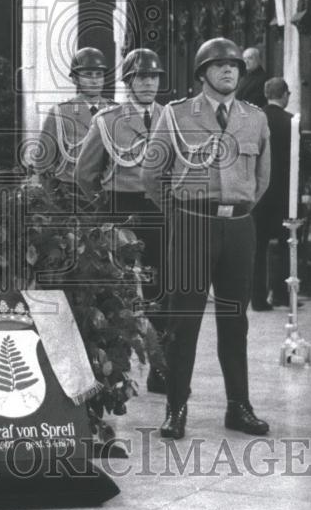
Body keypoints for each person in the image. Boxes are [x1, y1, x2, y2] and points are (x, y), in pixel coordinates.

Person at [142, 38, 270, 440]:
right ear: (202, 74)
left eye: (234, 65)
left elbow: (261, 178)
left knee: (235, 321)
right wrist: (181, 213)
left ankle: (239, 407)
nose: (229, 70)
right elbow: (151, 174)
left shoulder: (255, 118)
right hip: (192, 225)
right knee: (184, 321)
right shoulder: (177, 114)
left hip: (239, 228)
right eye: (219, 65)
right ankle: (176, 408)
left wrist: (237, 207)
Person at [75, 48, 167, 393]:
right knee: (117, 293)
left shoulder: (171, 117)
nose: (148, 83)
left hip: (160, 209)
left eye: (153, 76)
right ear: (128, 82)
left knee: (161, 290)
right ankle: (114, 371)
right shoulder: (109, 120)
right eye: (141, 77)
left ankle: (160, 368)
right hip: (121, 210)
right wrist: (104, 207)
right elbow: (85, 173)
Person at [38, 47, 112, 205]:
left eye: (99, 75)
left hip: (109, 195)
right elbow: (43, 165)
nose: (95, 81)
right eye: (88, 75)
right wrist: (56, 204)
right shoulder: (60, 114)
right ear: (75, 79)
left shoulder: (115, 112)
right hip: (72, 197)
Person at [252, 77, 294, 311]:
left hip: (258, 193)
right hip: (285, 193)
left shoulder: (255, 119)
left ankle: (257, 298)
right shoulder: (291, 122)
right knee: (287, 243)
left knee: (257, 247)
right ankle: (280, 293)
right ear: (285, 94)